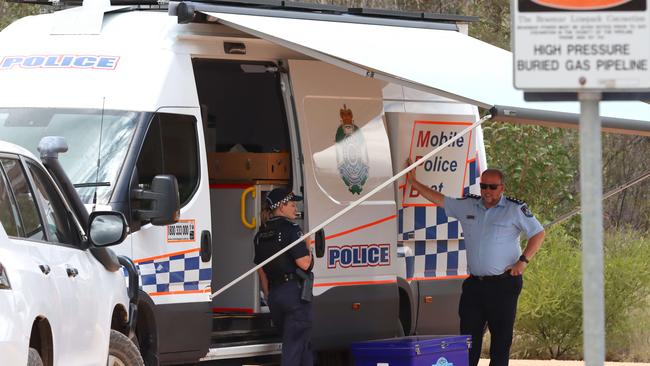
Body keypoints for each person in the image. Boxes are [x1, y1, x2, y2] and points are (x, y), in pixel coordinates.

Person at [408, 162, 545, 366]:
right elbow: (439, 200)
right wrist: (413, 182)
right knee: (468, 340)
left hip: (503, 284)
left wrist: (522, 262)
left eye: (492, 187)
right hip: (475, 285)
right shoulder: (468, 205)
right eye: (483, 186)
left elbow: (538, 233)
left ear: (502, 188)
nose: (487, 191)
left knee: (500, 340)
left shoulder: (514, 209)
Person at [254, 187, 314, 366]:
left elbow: (261, 269)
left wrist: (268, 294)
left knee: (303, 345)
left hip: (275, 295)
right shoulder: (292, 229)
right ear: (281, 207)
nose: (296, 208)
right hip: (294, 296)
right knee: (294, 348)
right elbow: (304, 264)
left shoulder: (260, 234)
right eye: (292, 205)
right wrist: (308, 246)